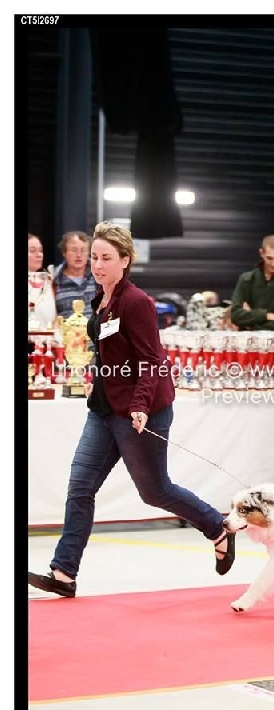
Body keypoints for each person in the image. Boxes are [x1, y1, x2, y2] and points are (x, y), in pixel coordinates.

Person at [28, 221, 235, 598]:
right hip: (103, 410)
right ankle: (64, 572)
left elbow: (152, 360)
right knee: (80, 487)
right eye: (94, 257)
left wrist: (139, 405)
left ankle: (216, 526)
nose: (97, 264)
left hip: (142, 412)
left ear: (126, 260)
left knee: (155, 491)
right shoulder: (100, 297)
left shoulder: (136, 301)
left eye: (107, 258)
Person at [230, 234, 274, 331]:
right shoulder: (246, 279)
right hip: (247, 344)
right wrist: (266, 316)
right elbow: (235, 316)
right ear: (261, 253)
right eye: (269, 258)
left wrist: (249, 324)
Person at [54, 231, 97, 321]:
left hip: (96, 333)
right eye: (74, 250)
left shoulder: (100, 277)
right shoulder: (53, 281)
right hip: (65, 333)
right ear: (64, 253)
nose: (79, 255)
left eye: (83, 250)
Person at [28, 233, 56, 331]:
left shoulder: (48, 281)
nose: (39, 254)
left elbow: (53, 321)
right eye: (32, 251)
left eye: (40, 250)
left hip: (48, 344)